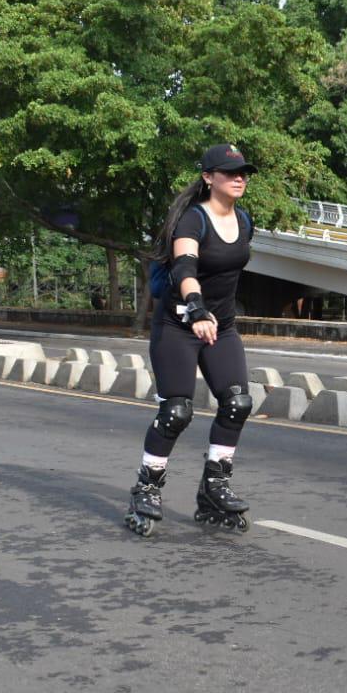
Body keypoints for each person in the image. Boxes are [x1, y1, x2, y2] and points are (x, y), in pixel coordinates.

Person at [125, 144, 258, 536]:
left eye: (243, 172)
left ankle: (214, 488)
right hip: (180, 327)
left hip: (223, 328)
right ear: (207, 177)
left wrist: (214, 314)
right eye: (229, 172)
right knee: (176, 411)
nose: (239, 178)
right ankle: (146, 487)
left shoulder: (245, 221)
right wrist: (197, 308)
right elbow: (184, 266)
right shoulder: (192, 220)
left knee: (237, 403)